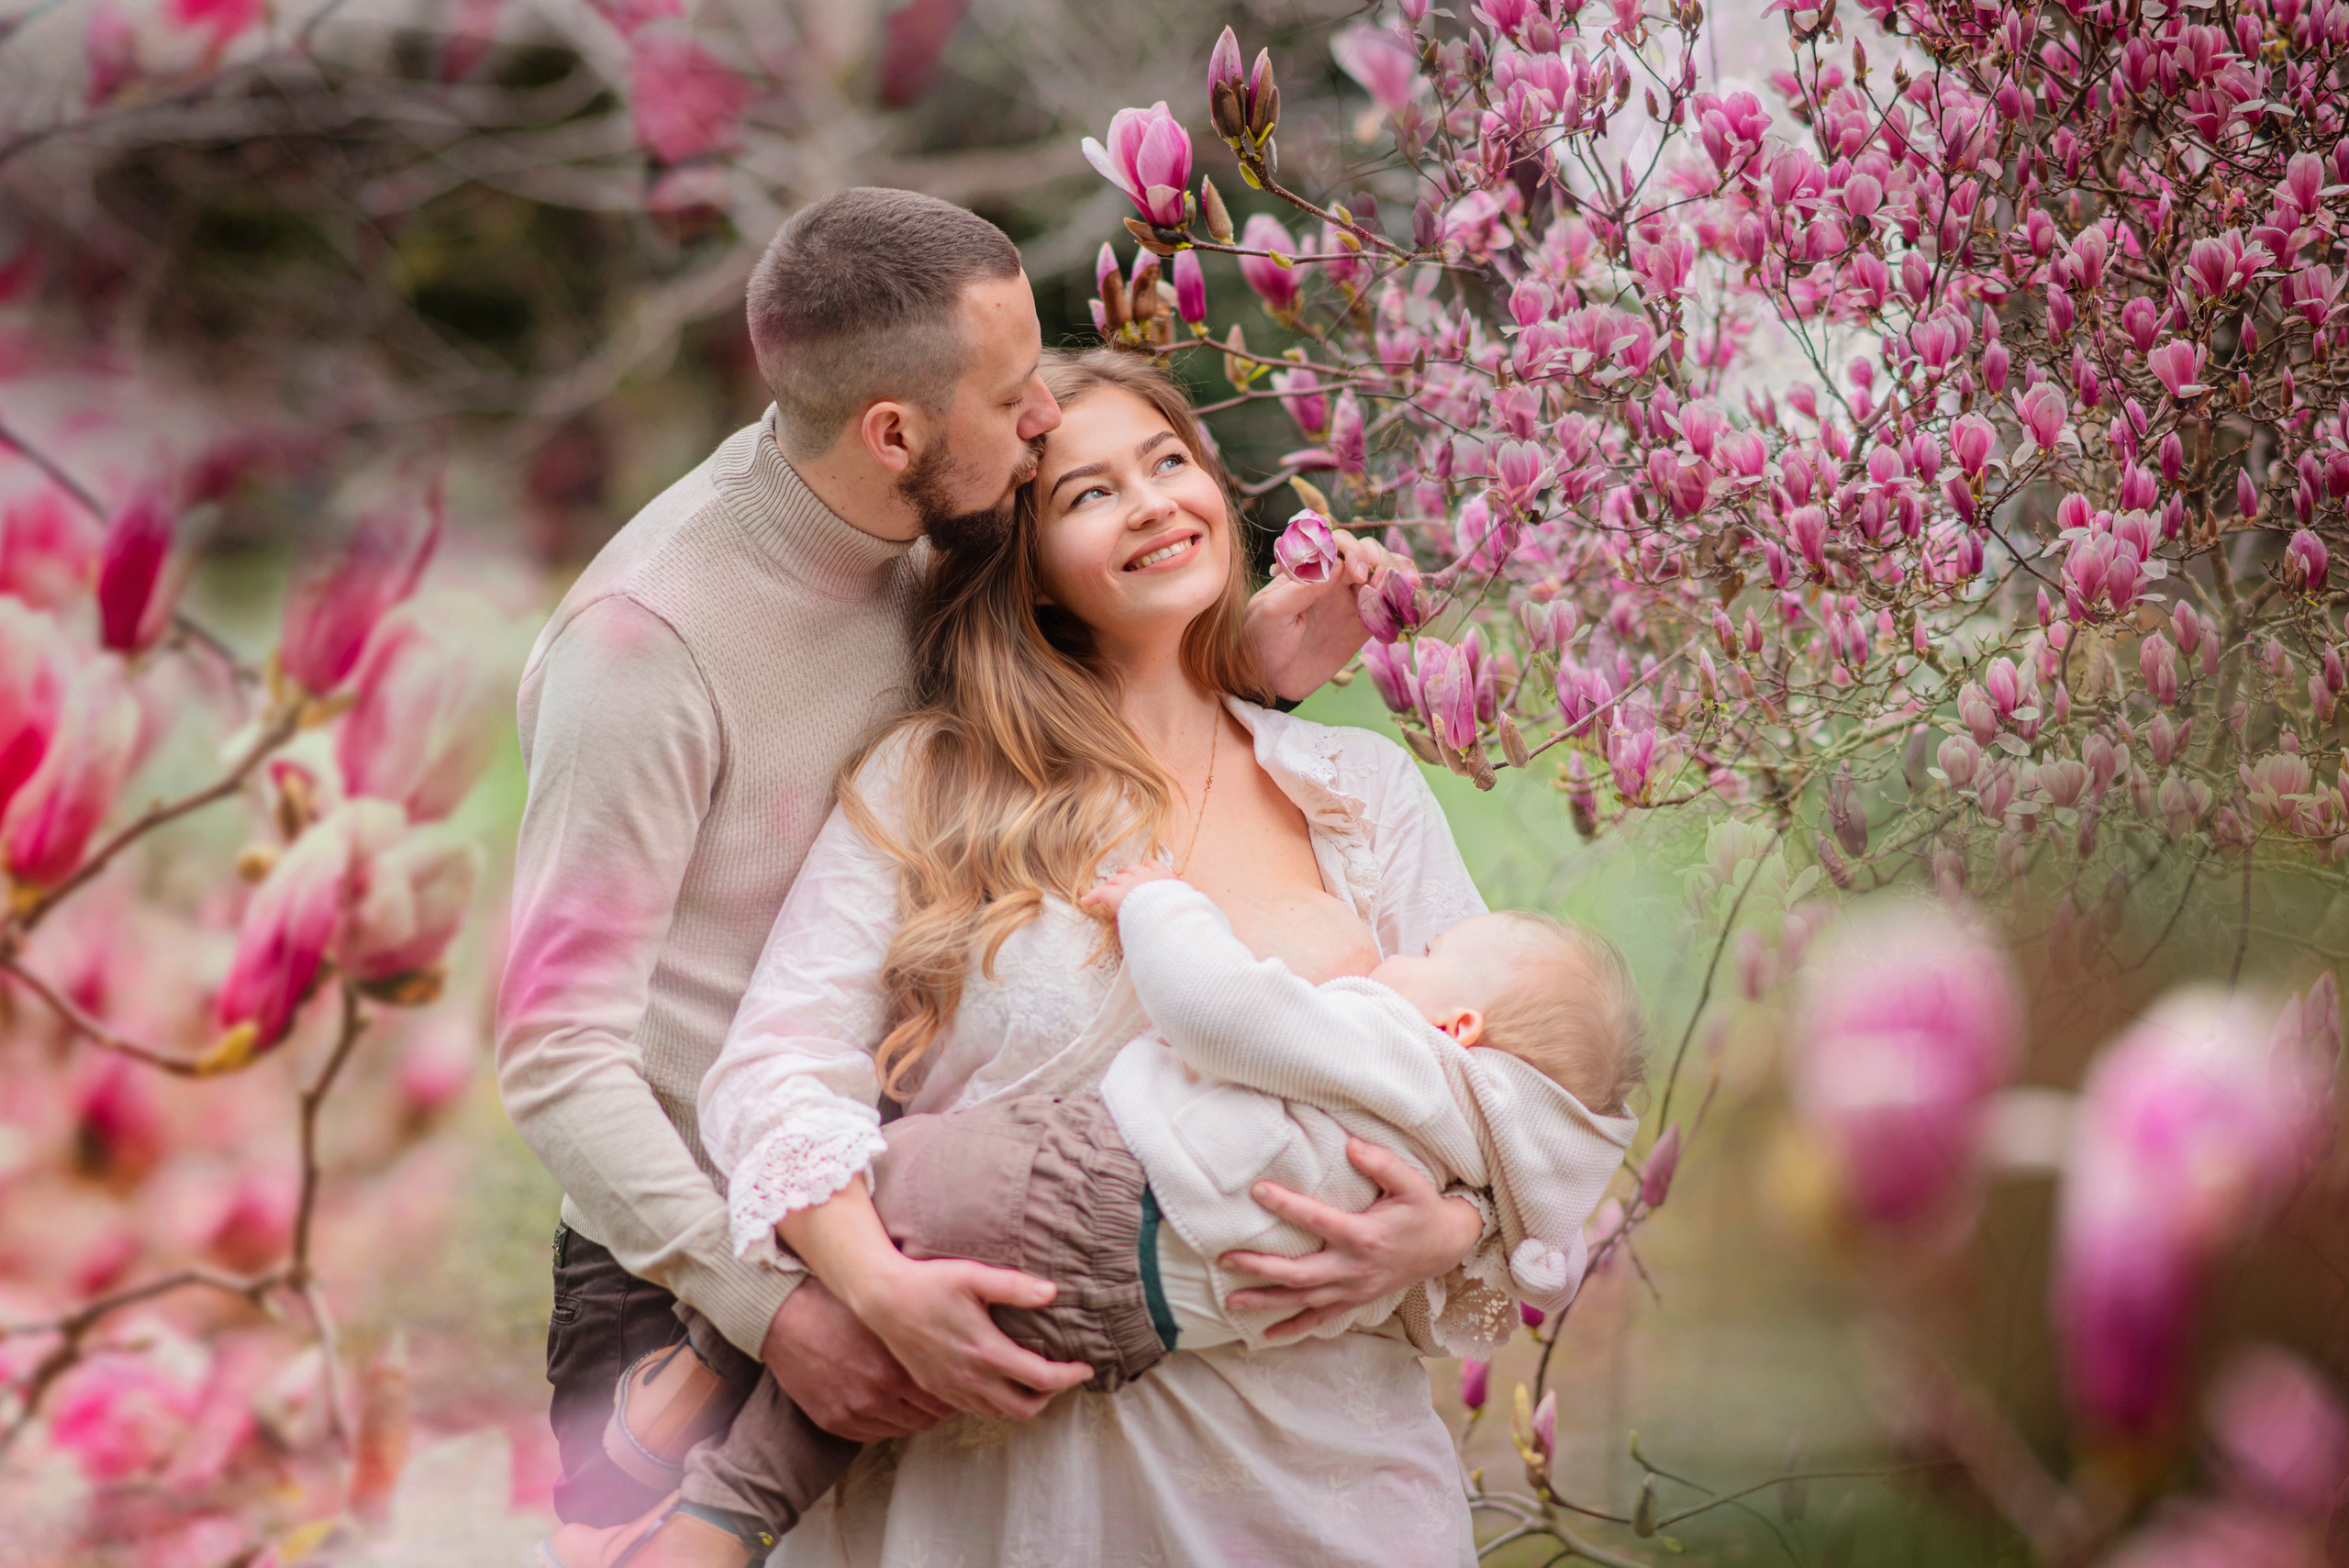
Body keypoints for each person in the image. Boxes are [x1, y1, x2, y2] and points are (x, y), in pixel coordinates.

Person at [496, 189, 1461, 1529]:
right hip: (693, 1252)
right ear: (894, 431)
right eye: (1015, 396)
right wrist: (781, 1312)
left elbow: (1053, 672)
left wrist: (1242, 669)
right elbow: (555, 1055)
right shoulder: (647, 648)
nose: (1043, 418)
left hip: (933, 1188)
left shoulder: (933, 516)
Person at [541, 857, 1646, 1567]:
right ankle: (727, 1514)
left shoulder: (1384, 997)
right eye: (1091, 487)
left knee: (882, 1187)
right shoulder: (1490, 1121)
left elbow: (1219, 1009)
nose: (1402, 952)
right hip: (1134, 1322)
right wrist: (1468, 1213)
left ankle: (696, 1379)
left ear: (1457, 1024)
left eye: (1426, 954)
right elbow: (1540, 1227)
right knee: (890, 1348)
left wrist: (1161, 901)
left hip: (1087, 1187)